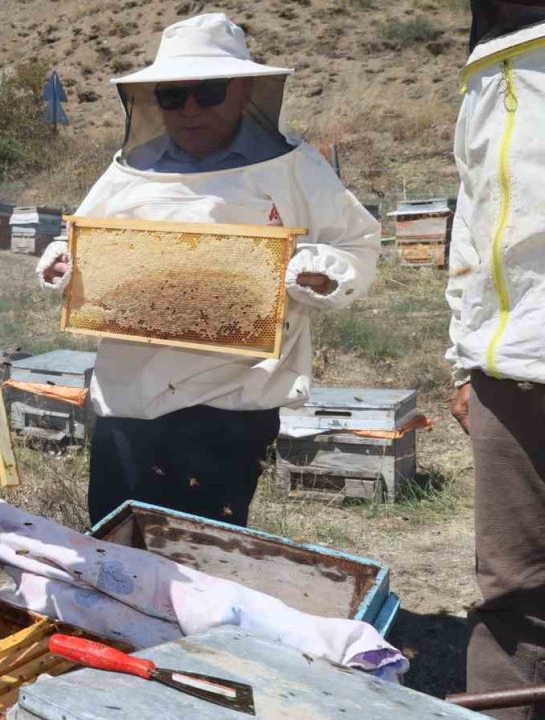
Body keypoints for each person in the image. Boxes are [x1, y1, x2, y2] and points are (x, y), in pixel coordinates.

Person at [36, 13, 381, 527]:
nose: (190, 109)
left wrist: (321, 272)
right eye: (173, 97)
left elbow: (356, 244)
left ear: (243, 90)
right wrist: (62, 262)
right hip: (129, 395)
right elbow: (77, 240)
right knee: (118, 547)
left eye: (210, 91)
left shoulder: (292, 167)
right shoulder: (128, 172)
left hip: (234, 399)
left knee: (204, 553)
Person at [448, 5, 545, 717]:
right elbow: (478, 224)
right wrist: (467, 356)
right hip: (509, 375)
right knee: (511, 589)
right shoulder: (489, 72)